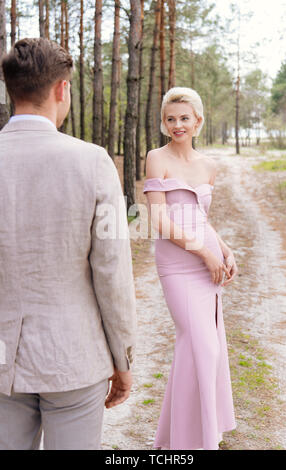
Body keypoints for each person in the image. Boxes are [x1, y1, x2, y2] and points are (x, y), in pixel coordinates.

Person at [0, 38, 136, 450]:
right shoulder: (94, 162)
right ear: (62, 89)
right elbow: (112, 271)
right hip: (73, 357)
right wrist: (122, 357)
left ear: (11, 90)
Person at [143, 87, 237, 450]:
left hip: (207, 260)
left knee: (200, 348)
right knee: (202, 347)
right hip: (179, 263)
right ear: (164, 124)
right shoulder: (157, 157)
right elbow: (160, 221)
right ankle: (190, 441)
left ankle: (176, 440)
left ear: (198, 121)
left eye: (184, 118)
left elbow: (201, 218)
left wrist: (225, 250)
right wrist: (205, 254)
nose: (177, 124)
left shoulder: (209, 166)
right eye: (170, 119)